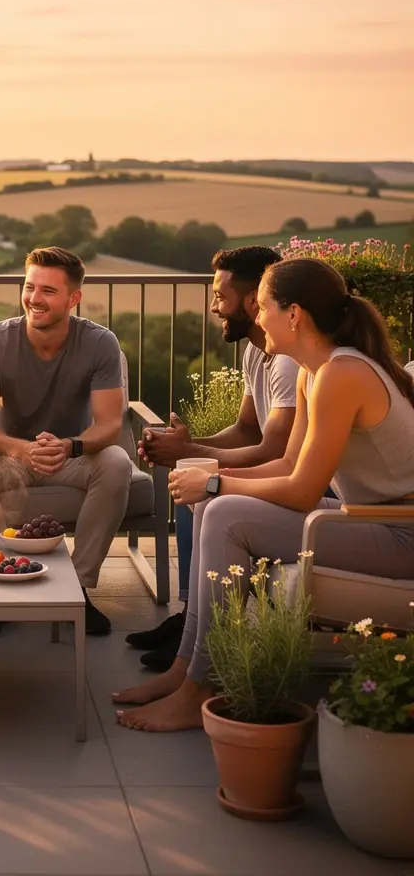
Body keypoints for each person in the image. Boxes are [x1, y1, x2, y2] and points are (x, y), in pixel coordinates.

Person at [113, 257, 414, 732]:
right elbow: (286, 465)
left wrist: (213, 482)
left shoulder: (342, 374)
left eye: (265, 307)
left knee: (226, 511)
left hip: (401, 533)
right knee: (217, 506)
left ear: (293, 314)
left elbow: (302, 490)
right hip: (367, 519)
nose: (256, 317)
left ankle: (200, 687)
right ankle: (185, 674)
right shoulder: (312, 371)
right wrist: (207, 469)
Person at [128, 246, 298, 671]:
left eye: (221, 296)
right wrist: (186, 445)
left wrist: (189, 452)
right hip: (273, 466)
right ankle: (191, 616)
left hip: (304, 479)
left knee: (202, 483)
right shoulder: (255, 351)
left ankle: (200, 629)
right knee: (195, 477)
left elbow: (275, 450)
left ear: (250, 299)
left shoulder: (289, 363)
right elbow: (245, 430)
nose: (213, 307)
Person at [0, 246, 133, 639]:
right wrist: (21, 449)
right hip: (14, 455)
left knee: (117, 461)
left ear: (74, 298)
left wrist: (70, 446)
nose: (34, 299)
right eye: (29, 287)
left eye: (48, 291)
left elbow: (109, 424)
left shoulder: (100, 343)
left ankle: (78, 589)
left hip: (71, 454)